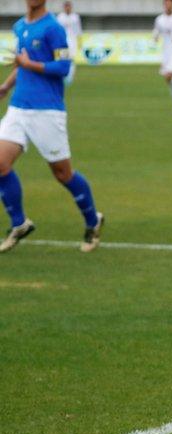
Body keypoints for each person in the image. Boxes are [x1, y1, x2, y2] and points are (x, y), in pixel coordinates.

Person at [0, 0, 103, 254]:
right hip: (19, 107)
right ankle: (19, 223)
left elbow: (63, 67)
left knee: (62, 174)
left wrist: (29, 65)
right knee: (0, 163)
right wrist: (5, 86)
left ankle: (93, 221)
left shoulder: (54, 28)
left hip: (46, 110)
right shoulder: (20, 26)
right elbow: (21, 65)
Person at [55, 0, 80, 85]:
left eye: (69, 6)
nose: (67, 8)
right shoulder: (60, 17)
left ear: (71, 7)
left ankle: (70, 77)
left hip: (73, 40)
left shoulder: (75, 17)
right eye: (66, 6)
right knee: (63, 59)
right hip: (63, 41)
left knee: (71, 60)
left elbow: (78, 30)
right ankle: (62, 76)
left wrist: (79, 41)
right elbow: (57, 30)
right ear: (64, 7)